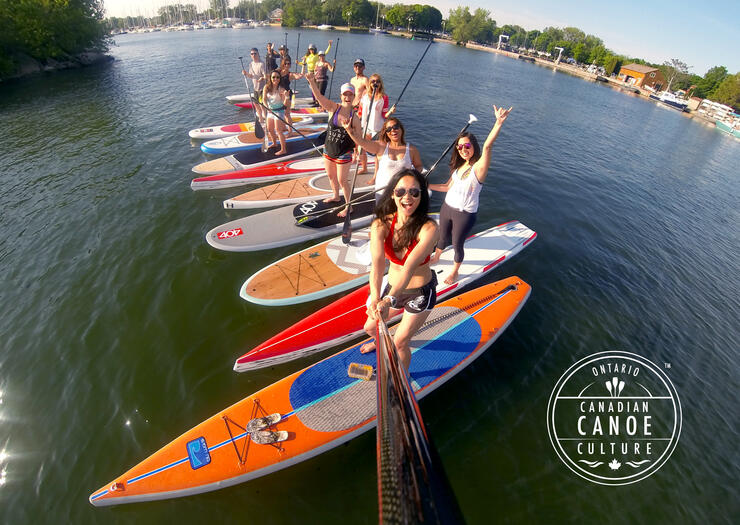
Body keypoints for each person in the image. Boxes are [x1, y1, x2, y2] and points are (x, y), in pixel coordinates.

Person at [360, 169, 439, 370]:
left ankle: (401, 379)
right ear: (392, 194)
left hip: (420, 293)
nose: (407, 197)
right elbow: (377, 266)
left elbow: (408, 268)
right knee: (370, 328)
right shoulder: (380, 225)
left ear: (422, 196)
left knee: (400, 343)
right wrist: (376, 298)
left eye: (414, 192)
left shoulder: (429, 228)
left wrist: (388, 300)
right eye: (401, 191)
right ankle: (380, 343)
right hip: (392, 289)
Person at [428, 105, 513, 284]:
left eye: (467, 146)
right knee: (442, 237)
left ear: (474, 146)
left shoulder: (479, 168)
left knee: (457, 244)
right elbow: (445, 187)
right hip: (447, 208)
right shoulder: (459, 167)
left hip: (464, 214)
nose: (463, 150)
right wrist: (425, 185)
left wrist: (498, 123)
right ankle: (436, 257)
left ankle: (455, 271)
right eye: (460, 147)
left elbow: (488, 147)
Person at [305, 72, 361, 217]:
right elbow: (319, 97)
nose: (347, 98)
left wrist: (357, 152)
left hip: (344, 153)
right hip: (328, 150)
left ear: (354, 97)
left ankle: (349, 206)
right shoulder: (333, 108)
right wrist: (312, 81)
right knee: (331, 177)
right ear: (341, 96)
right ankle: (336, 196)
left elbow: (359, 139)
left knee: (343, 180)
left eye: (350, 95)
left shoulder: (354, 118)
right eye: (345, 95)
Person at [341, 117, 422, 201]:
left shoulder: (412, 150)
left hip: (403, 193)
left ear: (401, 128)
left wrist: (412, 176)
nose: (393, 130)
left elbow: (419, 166)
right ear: (386, 133)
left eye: (395, 127)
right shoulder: (380, 147)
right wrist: (349, 130)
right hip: (382, 193)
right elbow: (361, 142)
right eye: (389, 129)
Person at [357, 74, 396, 173]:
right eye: (373, 81)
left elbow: (384, 115)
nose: (375, 83)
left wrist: (391, 111)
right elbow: (360, 111)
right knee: (361, 149)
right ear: (369, 83)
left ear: (380, 84)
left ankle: (376, 175)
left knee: (378, 153)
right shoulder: (365, 95)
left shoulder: (384, 97)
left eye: (377, 81)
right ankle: (364, 168)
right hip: (366, 127)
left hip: (378, 128)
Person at [262, 71, 291, 155]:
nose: (275, 79)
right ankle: (274, 143)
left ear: (280, 79)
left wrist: (287, 97)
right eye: (273, 77)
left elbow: (285, 105)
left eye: (277, 77)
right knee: (270, 129)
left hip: (279, 111)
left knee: (278, 130)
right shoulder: (266, 87)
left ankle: (283, 149)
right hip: (270, 111)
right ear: (270, 78)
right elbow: (264, 99)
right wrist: (266, 107)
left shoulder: (281, 89)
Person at [242, 48, 266, 123]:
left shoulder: (262, 64)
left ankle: (266, 120)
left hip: (263, 89)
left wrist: (262, 78)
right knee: (256, 105)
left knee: (263, 106)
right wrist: (246, 73)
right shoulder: (251, 64)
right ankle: (261, 119)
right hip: (255, 88)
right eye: (252, 54)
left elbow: (266, 76)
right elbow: (251, 76)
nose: (253, 55)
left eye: (255, 53)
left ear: (258, 54)